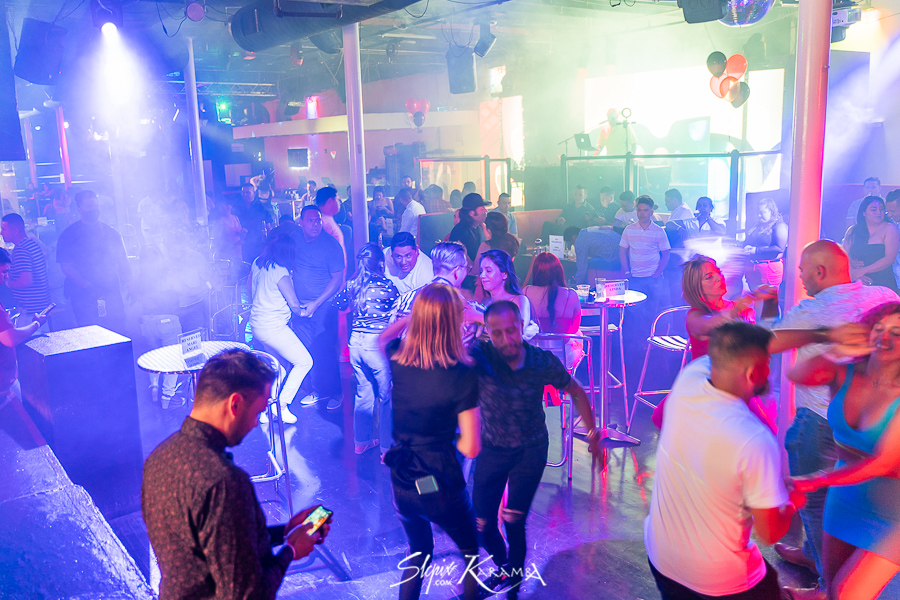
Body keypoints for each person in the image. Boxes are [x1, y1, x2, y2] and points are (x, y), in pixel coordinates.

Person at [142, 350, 330, 600]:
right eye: (258, 412)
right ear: (235, 404)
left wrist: (285, 531)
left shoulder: (159, 457)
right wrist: (291, 551)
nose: (256, 423)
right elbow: (248, 594)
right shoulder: (224, 481)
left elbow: (214, 544)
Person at [771, 240, 899, 599]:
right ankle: (818, 579)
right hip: (846, 496)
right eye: (879, 329)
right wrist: (839, 346)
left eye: (803, 270)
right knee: (834, 586)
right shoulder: (882, 296)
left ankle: (817, 575)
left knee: (845, 590)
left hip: (890, 508)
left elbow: (765, 343)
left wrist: (816, 480)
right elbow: (799, 373)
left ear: (820, 271)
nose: (800, 276)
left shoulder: (809, 310)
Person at [644, 321, 805, 600]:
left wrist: (822, 334)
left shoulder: (690, 378)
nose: (770, 371)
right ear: (752, 373)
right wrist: (792, 502)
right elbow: (769, 534)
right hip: (719, 581)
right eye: (768, 364)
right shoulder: (753, 438)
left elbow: (739, 346)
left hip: (661, 558)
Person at [471, 301, 599, 593]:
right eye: (497, 333)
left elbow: (576, 391)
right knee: (482, 525)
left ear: (521, 327)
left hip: (530, 449)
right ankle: (506, 567)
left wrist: (592, 434)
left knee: (513, 520)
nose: (506, 339)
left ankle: (513, 581)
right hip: (493, 448)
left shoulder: (540, 360)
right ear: (488, 333)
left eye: (511, 330)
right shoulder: (481, 356)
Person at [379, 284, 482, 600]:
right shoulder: (461, 372)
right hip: (436, 482)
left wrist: (412, 317)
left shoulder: (399, 358)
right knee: (470, 552)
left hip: (402, 481)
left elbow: (382, 338)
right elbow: (471, 447)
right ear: (454, 321)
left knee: (419, 551)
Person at [333, 243, 398, 455]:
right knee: (386, 397)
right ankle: (386, 449)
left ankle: (361, 442)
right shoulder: (387, 285)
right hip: (376, 346)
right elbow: (397, 314)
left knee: (363, 392)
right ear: (380, 262)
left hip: (356, 345)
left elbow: (339, 304)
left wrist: (355, 280)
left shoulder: (353, 285)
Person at [283, 205, 345, 410]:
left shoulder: (330, 245)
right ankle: (319, 389)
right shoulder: (295, 238)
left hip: (324, 306)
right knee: (305, 349)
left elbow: (337, 279)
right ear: (301, 222)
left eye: (318, 220)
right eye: (310, 220)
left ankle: (336, 392)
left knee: (323, 350)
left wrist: (316, 303)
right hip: (299, 306)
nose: (315, 224)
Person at [248, 234, 313, 425]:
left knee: (280, 367)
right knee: (304, 362)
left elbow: (250, 289)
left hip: (258, 324)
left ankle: (265, 409)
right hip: (272, 327)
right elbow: (294, 304)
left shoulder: (258, 263)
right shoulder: (281, 271)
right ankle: (281, 406)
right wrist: (306, 311)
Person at [56, 190, 130, 333]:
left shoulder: (111, 232)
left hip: (110, 290)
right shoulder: (68, 235)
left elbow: (123, 261)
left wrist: (130, 283)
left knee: (118, 329)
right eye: (89, 207)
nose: (94, 210)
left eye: (96, 206)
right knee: (90, 333)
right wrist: (88, 286)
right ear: (79, 209)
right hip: (82, 294)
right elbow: (66, 267)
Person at [135, 246, 184, 407]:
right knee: (172, 359)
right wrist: (209, 285)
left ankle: (154, 386)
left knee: (154, 356)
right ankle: (167, 399)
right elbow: (185, 291)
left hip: (147, 324)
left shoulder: (141, 278)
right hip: (167, 322)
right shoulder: (167, 276)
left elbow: (135, 294)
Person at [619, 195, 671, 337]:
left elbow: (666, 254)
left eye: (645, 210)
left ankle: (649, 342)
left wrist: (656, 274)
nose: (642, 213)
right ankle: (636, 342)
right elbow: (622, 251)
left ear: (651, 212)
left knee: (652, 313)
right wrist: (627, 272)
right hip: (634, 277)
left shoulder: (659, 231)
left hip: (652, 278)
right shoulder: (629, 229)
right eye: (639, 210)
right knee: (634, 314)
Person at [523, 252, 583, 370]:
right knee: (579, 334)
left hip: (533, 357)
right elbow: (575, 328)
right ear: (559, 271)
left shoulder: (526, 292)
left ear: (536, 272)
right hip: (562, 358)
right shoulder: (571, 295)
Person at [1, 213, 50, 328]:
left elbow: (26, 281)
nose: (1, 232)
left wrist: (8, 283)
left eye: (4, 229)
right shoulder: (31, 244)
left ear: (15, 231)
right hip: (40, 308)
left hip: (30, 313)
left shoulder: (21, 249)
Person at [843, 195, 900, 292]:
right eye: (874, 209)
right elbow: (843, 256)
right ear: (864, 213)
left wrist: (861, 271)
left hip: (883, 282)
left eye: (881, 209)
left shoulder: (890, 228)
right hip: (856, 282)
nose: (878, 212)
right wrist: (852, 272)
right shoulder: (853, 230)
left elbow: (889, 259)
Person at [478, 249, 538, 341]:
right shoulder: (485, 303)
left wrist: (477, 316)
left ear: (504, 274)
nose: (482, 275)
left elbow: (518, 329)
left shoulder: (519, 300)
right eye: (481, 271)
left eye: (488, 271)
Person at [745, 198, 789, 290]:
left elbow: (780, 248)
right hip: (753, 269)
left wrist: (756, 250)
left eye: (763, 212)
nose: (759, 215)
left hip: (769, 270)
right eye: (758, 212)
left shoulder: (779, 225)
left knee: (768, 298)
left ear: (771, 211)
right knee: (754, 297)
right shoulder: (757, 225)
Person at [449, 193, 489, 290]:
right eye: (482, 209)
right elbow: (465, 265)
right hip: (465, 286)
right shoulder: (461, 232)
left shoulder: (477, 227)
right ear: (471, 213)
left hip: (476, 281)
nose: (485, 211)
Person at [235, 183, 273, 264]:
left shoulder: (261, 207)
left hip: (257, 242)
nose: (245, 195)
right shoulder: (238, 206)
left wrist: (269, 242)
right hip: (243, 243)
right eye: (243, 192)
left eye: (248, 192)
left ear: (254, 193)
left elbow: (268, 227)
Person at [315, 187, 348, 269]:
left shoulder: (327, 218)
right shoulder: (322, 223)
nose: (339, 203)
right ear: (330, 201)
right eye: (337, 200)